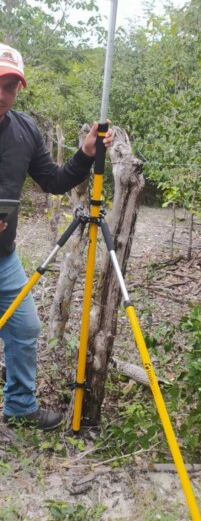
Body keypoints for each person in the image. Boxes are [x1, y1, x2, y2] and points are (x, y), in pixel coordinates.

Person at [0, 42, 113, 430]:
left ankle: (18, 405)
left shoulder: (24, 130)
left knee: (25, 326)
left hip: (3, 257)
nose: (2, 94)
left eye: (10, 86)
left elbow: (54, 181)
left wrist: (84, 153)